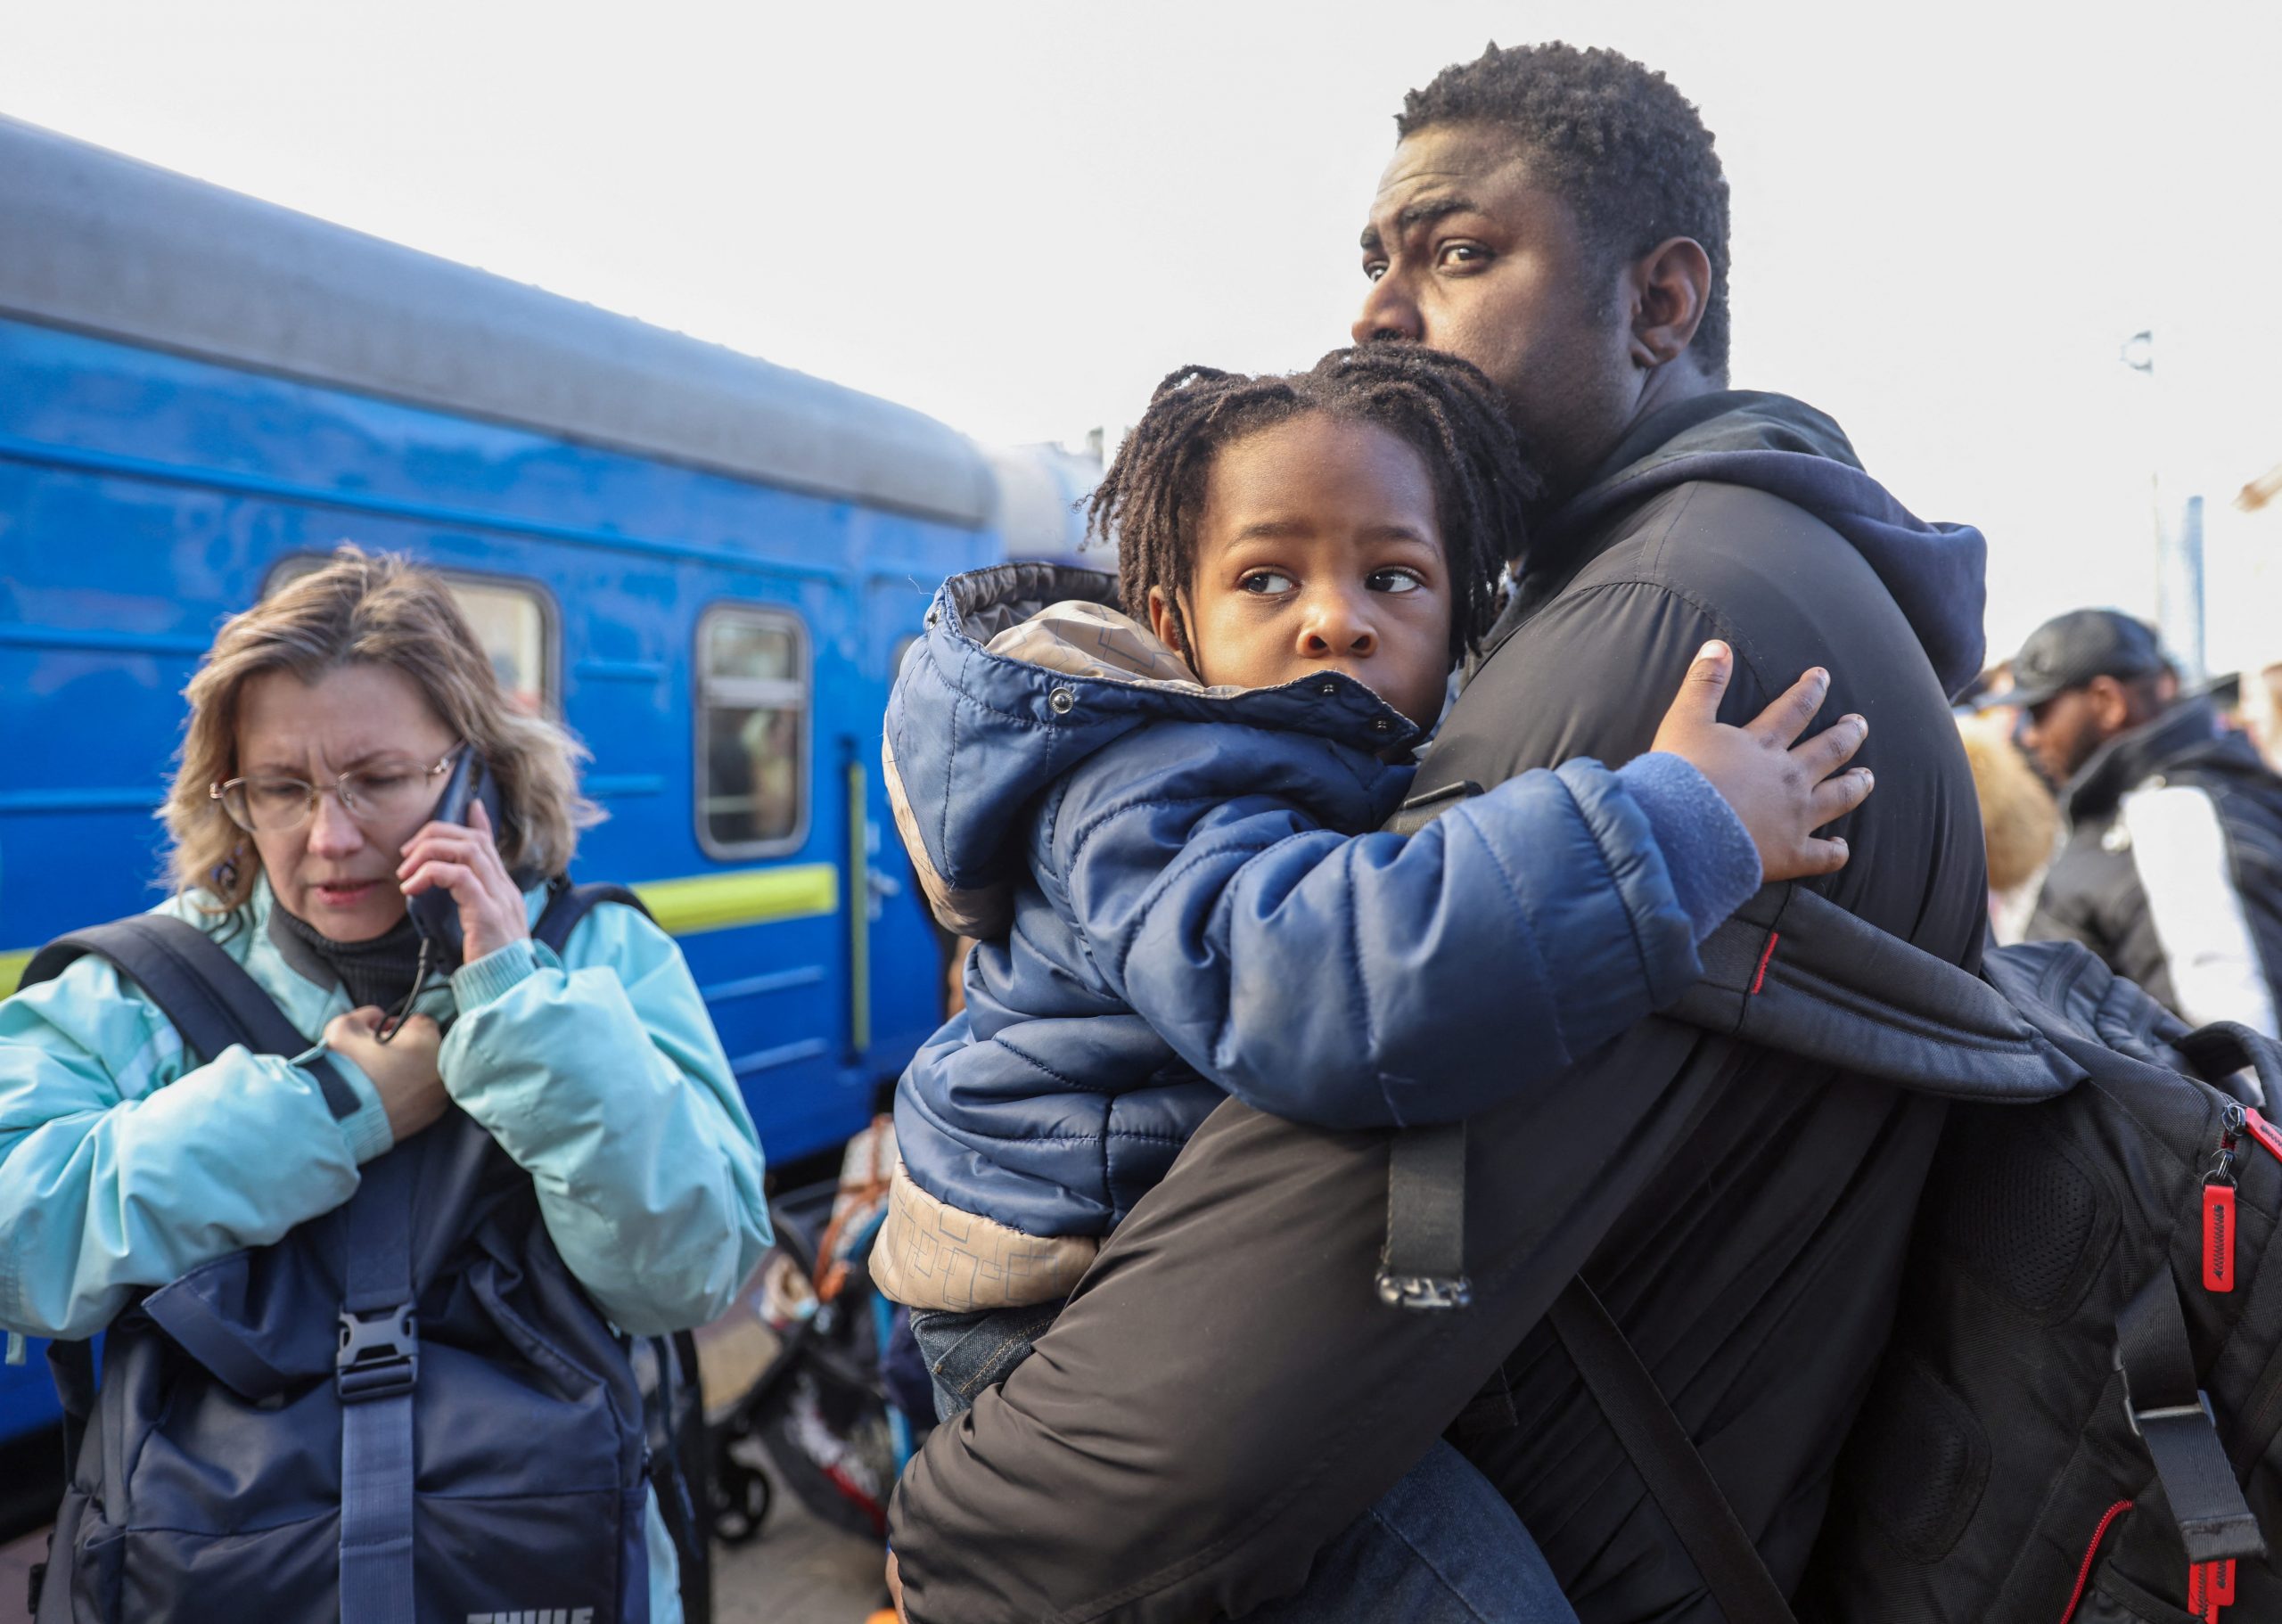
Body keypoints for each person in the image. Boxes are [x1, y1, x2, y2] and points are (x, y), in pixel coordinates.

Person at [886, 42, 1990, 1624]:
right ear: (1170, 617)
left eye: (1459, 253)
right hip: (1055, 1295)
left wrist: (984, 1552)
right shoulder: (1165, 775)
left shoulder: (1660, 618)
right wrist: (1677, 824)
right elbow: (1352, 987)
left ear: (1659, 306)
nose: (1378, 315)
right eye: (1268, 579)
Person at [0, 549, 770, 1623]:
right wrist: (330, 1107)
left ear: (472, 775)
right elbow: (16, 1243)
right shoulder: (138, 988)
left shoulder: (597, 959)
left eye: (377, 778)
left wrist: (514, 1000)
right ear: (232, 794)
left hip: (542, 1568)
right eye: (281, 787)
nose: (331, 836)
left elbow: (684, 1271)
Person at [2009, 608, 2282, 1041]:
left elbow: (2246, 1049)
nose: (2029, 735)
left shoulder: (2171, 813)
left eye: (2040, 711)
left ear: (2107, 702)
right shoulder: (2139, 800)